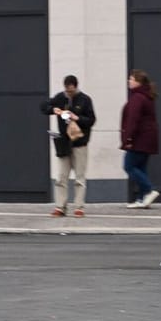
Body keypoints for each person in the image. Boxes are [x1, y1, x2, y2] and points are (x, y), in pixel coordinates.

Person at [42, 75, 96, 217]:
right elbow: (43, 106)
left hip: (79, 142)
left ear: (76, 87)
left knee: (79, 177)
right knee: (61, 176)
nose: (69, 93)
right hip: (64, 143)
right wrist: (54, 110)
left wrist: (76, 117)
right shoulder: (60, 98)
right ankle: (60, 206)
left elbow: (91, 120)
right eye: (67, 91)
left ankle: (79, 207)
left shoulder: (85, 99)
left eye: (71, 91)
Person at [121, 70, 161, 208]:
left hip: (139, 139)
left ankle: (149, 190)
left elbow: (133, 120)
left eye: (131, 79)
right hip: (148, 139)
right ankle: (141, 199)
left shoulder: (137, 97)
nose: (129, 81)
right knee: (141, 168)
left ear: (138, 82)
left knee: (129, 166)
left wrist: (127, 139)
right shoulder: (146, 96)